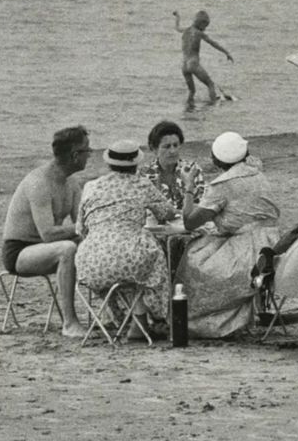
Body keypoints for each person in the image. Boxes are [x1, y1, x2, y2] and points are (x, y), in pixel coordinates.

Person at [176, 132, 281, 338]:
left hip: (249, 249)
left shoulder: (222, 185)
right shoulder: (256, 172)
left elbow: (190, 221)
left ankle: (198, 320)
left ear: (216, 160)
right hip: (271, 242)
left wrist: (189, 188)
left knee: (194, 259)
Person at [75, 140, 177, 339]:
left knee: (120, 270)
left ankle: (120, 318)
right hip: (129, 258)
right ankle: (157, 317)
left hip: (90, 263)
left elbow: (80, 228)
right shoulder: (141, 184)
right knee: (153, 257)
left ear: (109, 163)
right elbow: (167, 212)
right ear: (136, 163)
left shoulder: (91, 186)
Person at [1, 126, 91, 337]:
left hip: (45, 247)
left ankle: (113, 315)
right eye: (87, 150)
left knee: (98, 244)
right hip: (20, 251)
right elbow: (48, 234)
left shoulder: (71, 182)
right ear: (75, 154)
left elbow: (82, 222)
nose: (90, 154)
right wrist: (81, 228)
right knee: (67, 249)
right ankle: (69, 323)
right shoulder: (40, 182)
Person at [140, 120, 206, 210]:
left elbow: (201, 203)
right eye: (167, 146)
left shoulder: (192, 169)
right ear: (154, 149)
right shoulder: (145, 174)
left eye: (175, 145)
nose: (173, 151)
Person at [173, 9, 233, 104]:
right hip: (193, 64)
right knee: (210, 84)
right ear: (201, 24)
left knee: (192, 90)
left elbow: (177, 27)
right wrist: (226, 52)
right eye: (205, 26)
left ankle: (189, 109)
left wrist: (177, 16)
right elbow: (213, 43)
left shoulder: (185, 30)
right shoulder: (199, 33)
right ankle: (213, 106)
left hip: (184, 66)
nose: (205, 29)